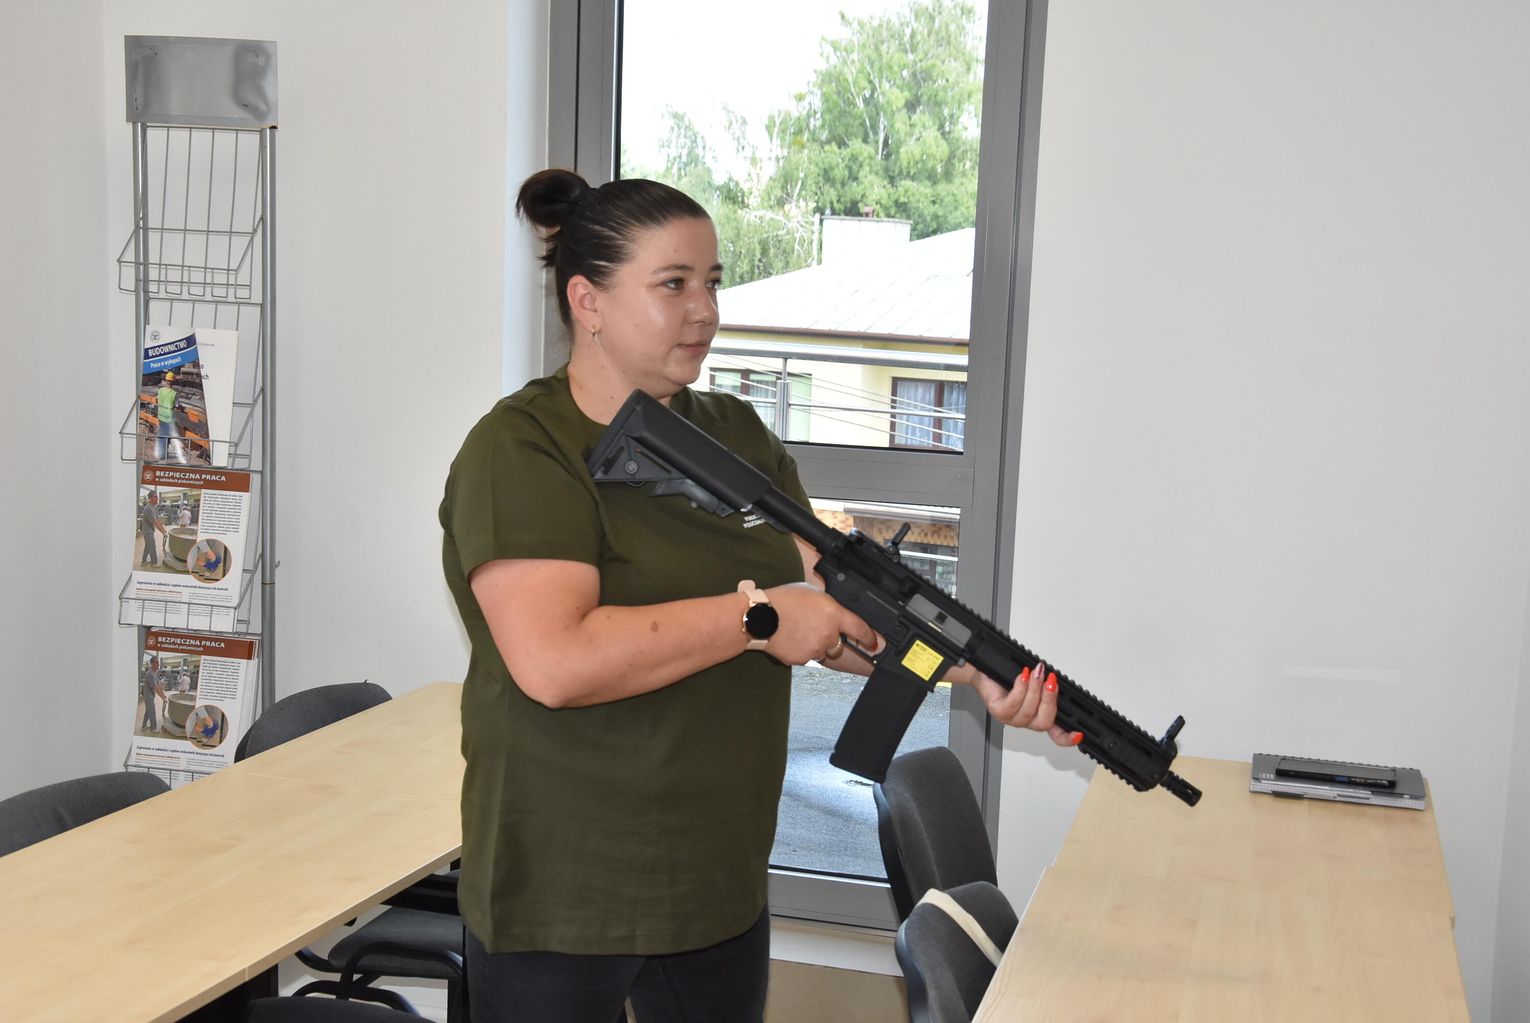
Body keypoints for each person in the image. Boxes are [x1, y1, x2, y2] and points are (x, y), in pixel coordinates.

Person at [439, 169, 1077, 1023]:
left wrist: (974, 672)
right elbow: (556, 661)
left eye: (712, 283)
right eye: (673, 285)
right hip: (566, 886)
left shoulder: (732, 432)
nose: (704, 310)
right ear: (587, 300)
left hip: (716, 879)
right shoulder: (522, 449)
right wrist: (757, 618)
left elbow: (835, 616)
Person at [138, 491, 167, 567]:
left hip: (150, 530)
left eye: (157, 497)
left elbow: (158, 519)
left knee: (148, 547)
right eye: (155, 497)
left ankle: (143, 561)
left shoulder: (154, 507)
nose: (157, 498)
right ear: (150, 498)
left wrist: (163, 529)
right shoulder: (148, 509)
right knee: (152, 547)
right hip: (147, 531)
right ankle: (154, 563)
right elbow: (155, 522)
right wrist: (162, 532)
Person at [154, 372, 178, 461]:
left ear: (166, 380)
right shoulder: (174, 393)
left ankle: (160, 453)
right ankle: (163, 455)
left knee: (161, 434)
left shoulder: (160, 390)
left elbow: (157, 400)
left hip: (161, 416)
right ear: (173, 381)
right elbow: (177, 405)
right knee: (167, 436)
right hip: (168, 418)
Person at [140, 656, 166, 732]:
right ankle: (153, 728)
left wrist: (163, 694)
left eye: (158, 662)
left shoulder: (155, 673)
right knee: (152, 712)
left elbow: (158, 684)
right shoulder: (150, 674)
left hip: (151, 695)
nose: (158, 664)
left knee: (148, 712)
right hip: (148, 697)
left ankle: (144, 726)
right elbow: (156, 687)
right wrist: (162, 698)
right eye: (156, 662)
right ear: (151, 663)